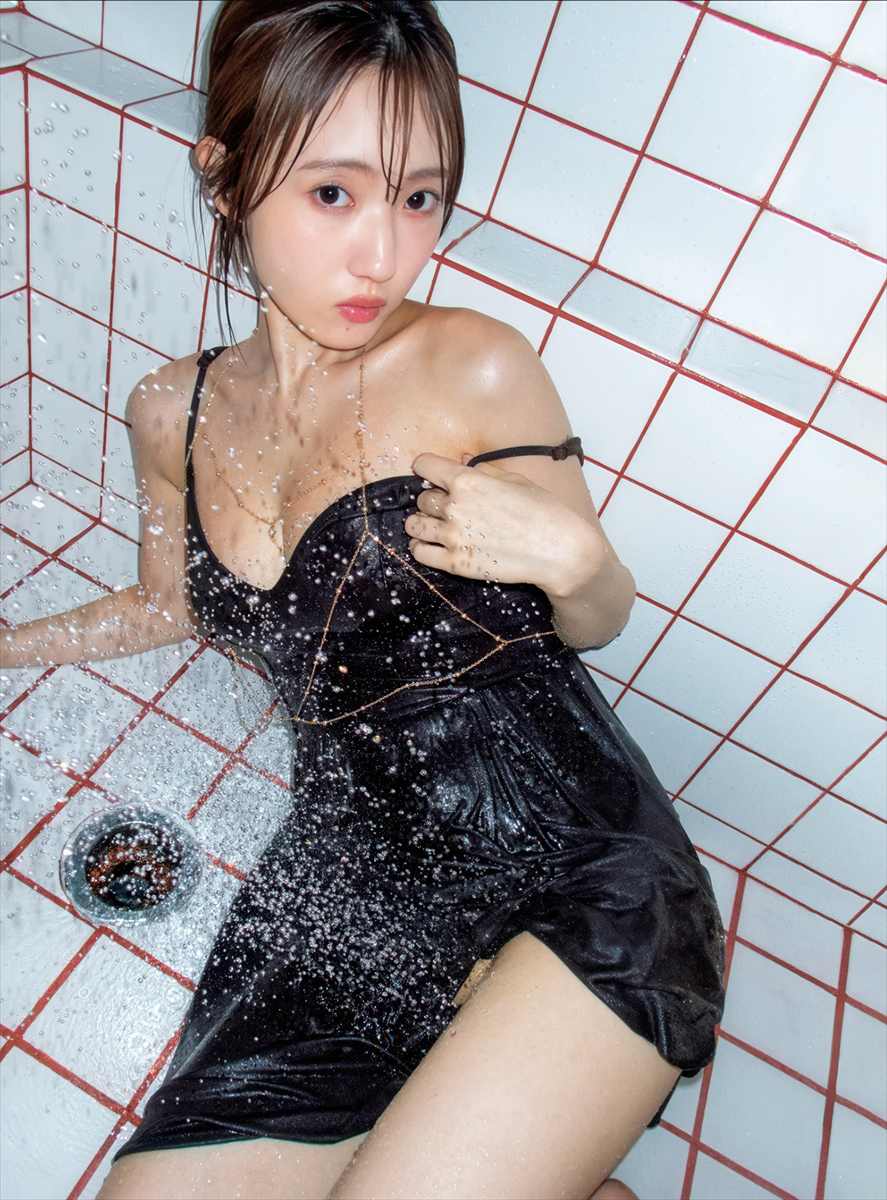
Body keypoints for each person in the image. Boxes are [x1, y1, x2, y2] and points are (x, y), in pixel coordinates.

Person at [1, 3, 726, 1198]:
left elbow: (593, 618)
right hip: (350, 880)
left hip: (571, 861)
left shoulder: (473, 365)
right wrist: (8, 644)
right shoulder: (169, 412)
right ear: (224, 179)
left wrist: (573, 561)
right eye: (333, 194)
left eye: (419, 197)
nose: (384, 256)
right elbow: (165, 605)